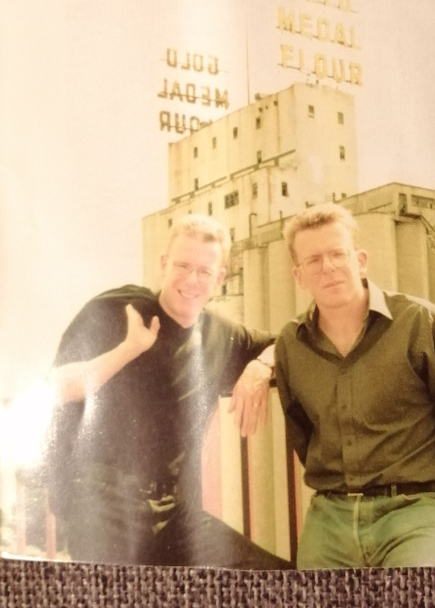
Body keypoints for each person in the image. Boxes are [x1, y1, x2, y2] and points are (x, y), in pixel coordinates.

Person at [45, 213, 290, 569]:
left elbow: (290, 342)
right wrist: (129, 348)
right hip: (100, 501)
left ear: (220, 278)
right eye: (182, 265)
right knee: (124, 593)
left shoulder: (221, 333)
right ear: (164, 264)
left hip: (170, 511)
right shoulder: (120, 308)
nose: (191, 280)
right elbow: (56, 388)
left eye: (204, 271)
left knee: (274, 578)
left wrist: (260, 366)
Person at [274, 202, 435, 568]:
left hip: (413, 511)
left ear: (361, 260)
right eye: (313, 260)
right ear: (299, 276)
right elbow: (302, 434)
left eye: (337, 254)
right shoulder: (291, 344)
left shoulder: (420, 322)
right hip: (330, 518)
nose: (328, 268)